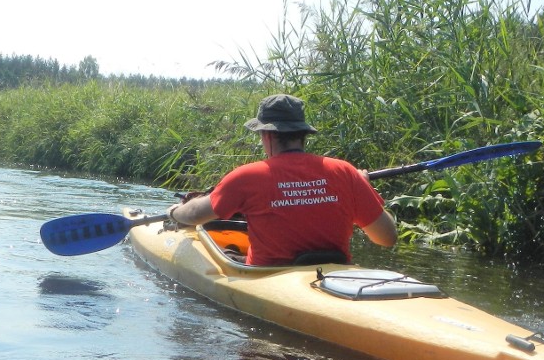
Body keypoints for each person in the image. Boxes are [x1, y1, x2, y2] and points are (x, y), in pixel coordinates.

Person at [166, 94, 398, 266]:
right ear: (303, 134)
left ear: (266, 135)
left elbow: (196, 215)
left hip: (266, 278)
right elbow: (387, 238)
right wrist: (363, 185)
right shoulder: (345, 172)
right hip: (333, 276)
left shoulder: (247, 176)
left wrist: (175, 211)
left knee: (220, 252)